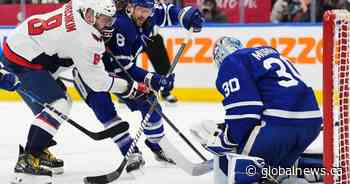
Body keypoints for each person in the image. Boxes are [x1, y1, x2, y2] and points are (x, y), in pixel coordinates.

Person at [1, 0, 137, 183]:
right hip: (23, 59)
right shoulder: (85, 39)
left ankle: (38, 149)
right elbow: (98, 82)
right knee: (59, 104)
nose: (107, 25)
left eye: (109, 20)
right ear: (91, 16)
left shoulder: (80, 4)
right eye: (104, 20)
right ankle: (27, 161)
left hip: (25, 43)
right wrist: (130, 87)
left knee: (59, 102)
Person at [73, 0, 203, 173]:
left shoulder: (149, 13)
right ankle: (130, 153)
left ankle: (156, 145)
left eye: (146, 11)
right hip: (90, 73)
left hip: (117, 71)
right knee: (107, 114)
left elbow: (168, 12)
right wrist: (153, 78)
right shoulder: (121, 24)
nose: (143, 14)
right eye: (140, 10)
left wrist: (186, 16)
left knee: (150, 103)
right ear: (130, 8)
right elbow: (125, 69)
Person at [190, 37, 322, 183]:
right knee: (275, 169)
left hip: (278, 126)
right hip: (311, 124)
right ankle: (314, 168)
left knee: (237, 167)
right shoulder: (267, 53)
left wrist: (225, 140)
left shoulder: (231, 61)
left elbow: (245, 113)